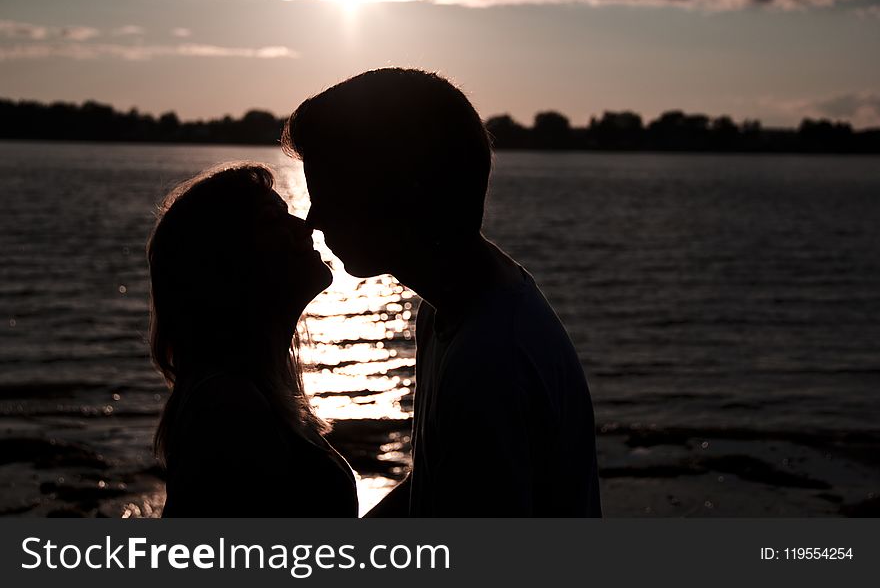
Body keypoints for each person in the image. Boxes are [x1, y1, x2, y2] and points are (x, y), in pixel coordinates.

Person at [282, 68, 602, 516]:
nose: (314, 218)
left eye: (330, 192)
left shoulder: (489, 361)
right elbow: (434, 481)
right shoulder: (449, 309)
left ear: (399, 193)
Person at [148, 163, 357, 517]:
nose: (303, 226)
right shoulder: (228, 406)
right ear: (229, 262)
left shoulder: (253, 392)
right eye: (273, 220)